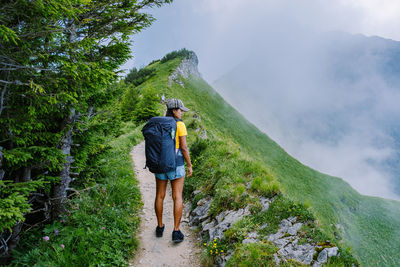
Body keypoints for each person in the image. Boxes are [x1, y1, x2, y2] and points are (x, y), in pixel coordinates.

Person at [154, 99, 193, 243]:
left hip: (160, 164)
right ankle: (176, 231)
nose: (182, 112)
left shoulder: (160, 123)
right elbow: (183, 148)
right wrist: (189, 165)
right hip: (176, 164)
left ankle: (159, 227)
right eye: (180, 110)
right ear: (174, 110)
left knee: (160, 195)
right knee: (177, 196)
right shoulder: (180, 124)